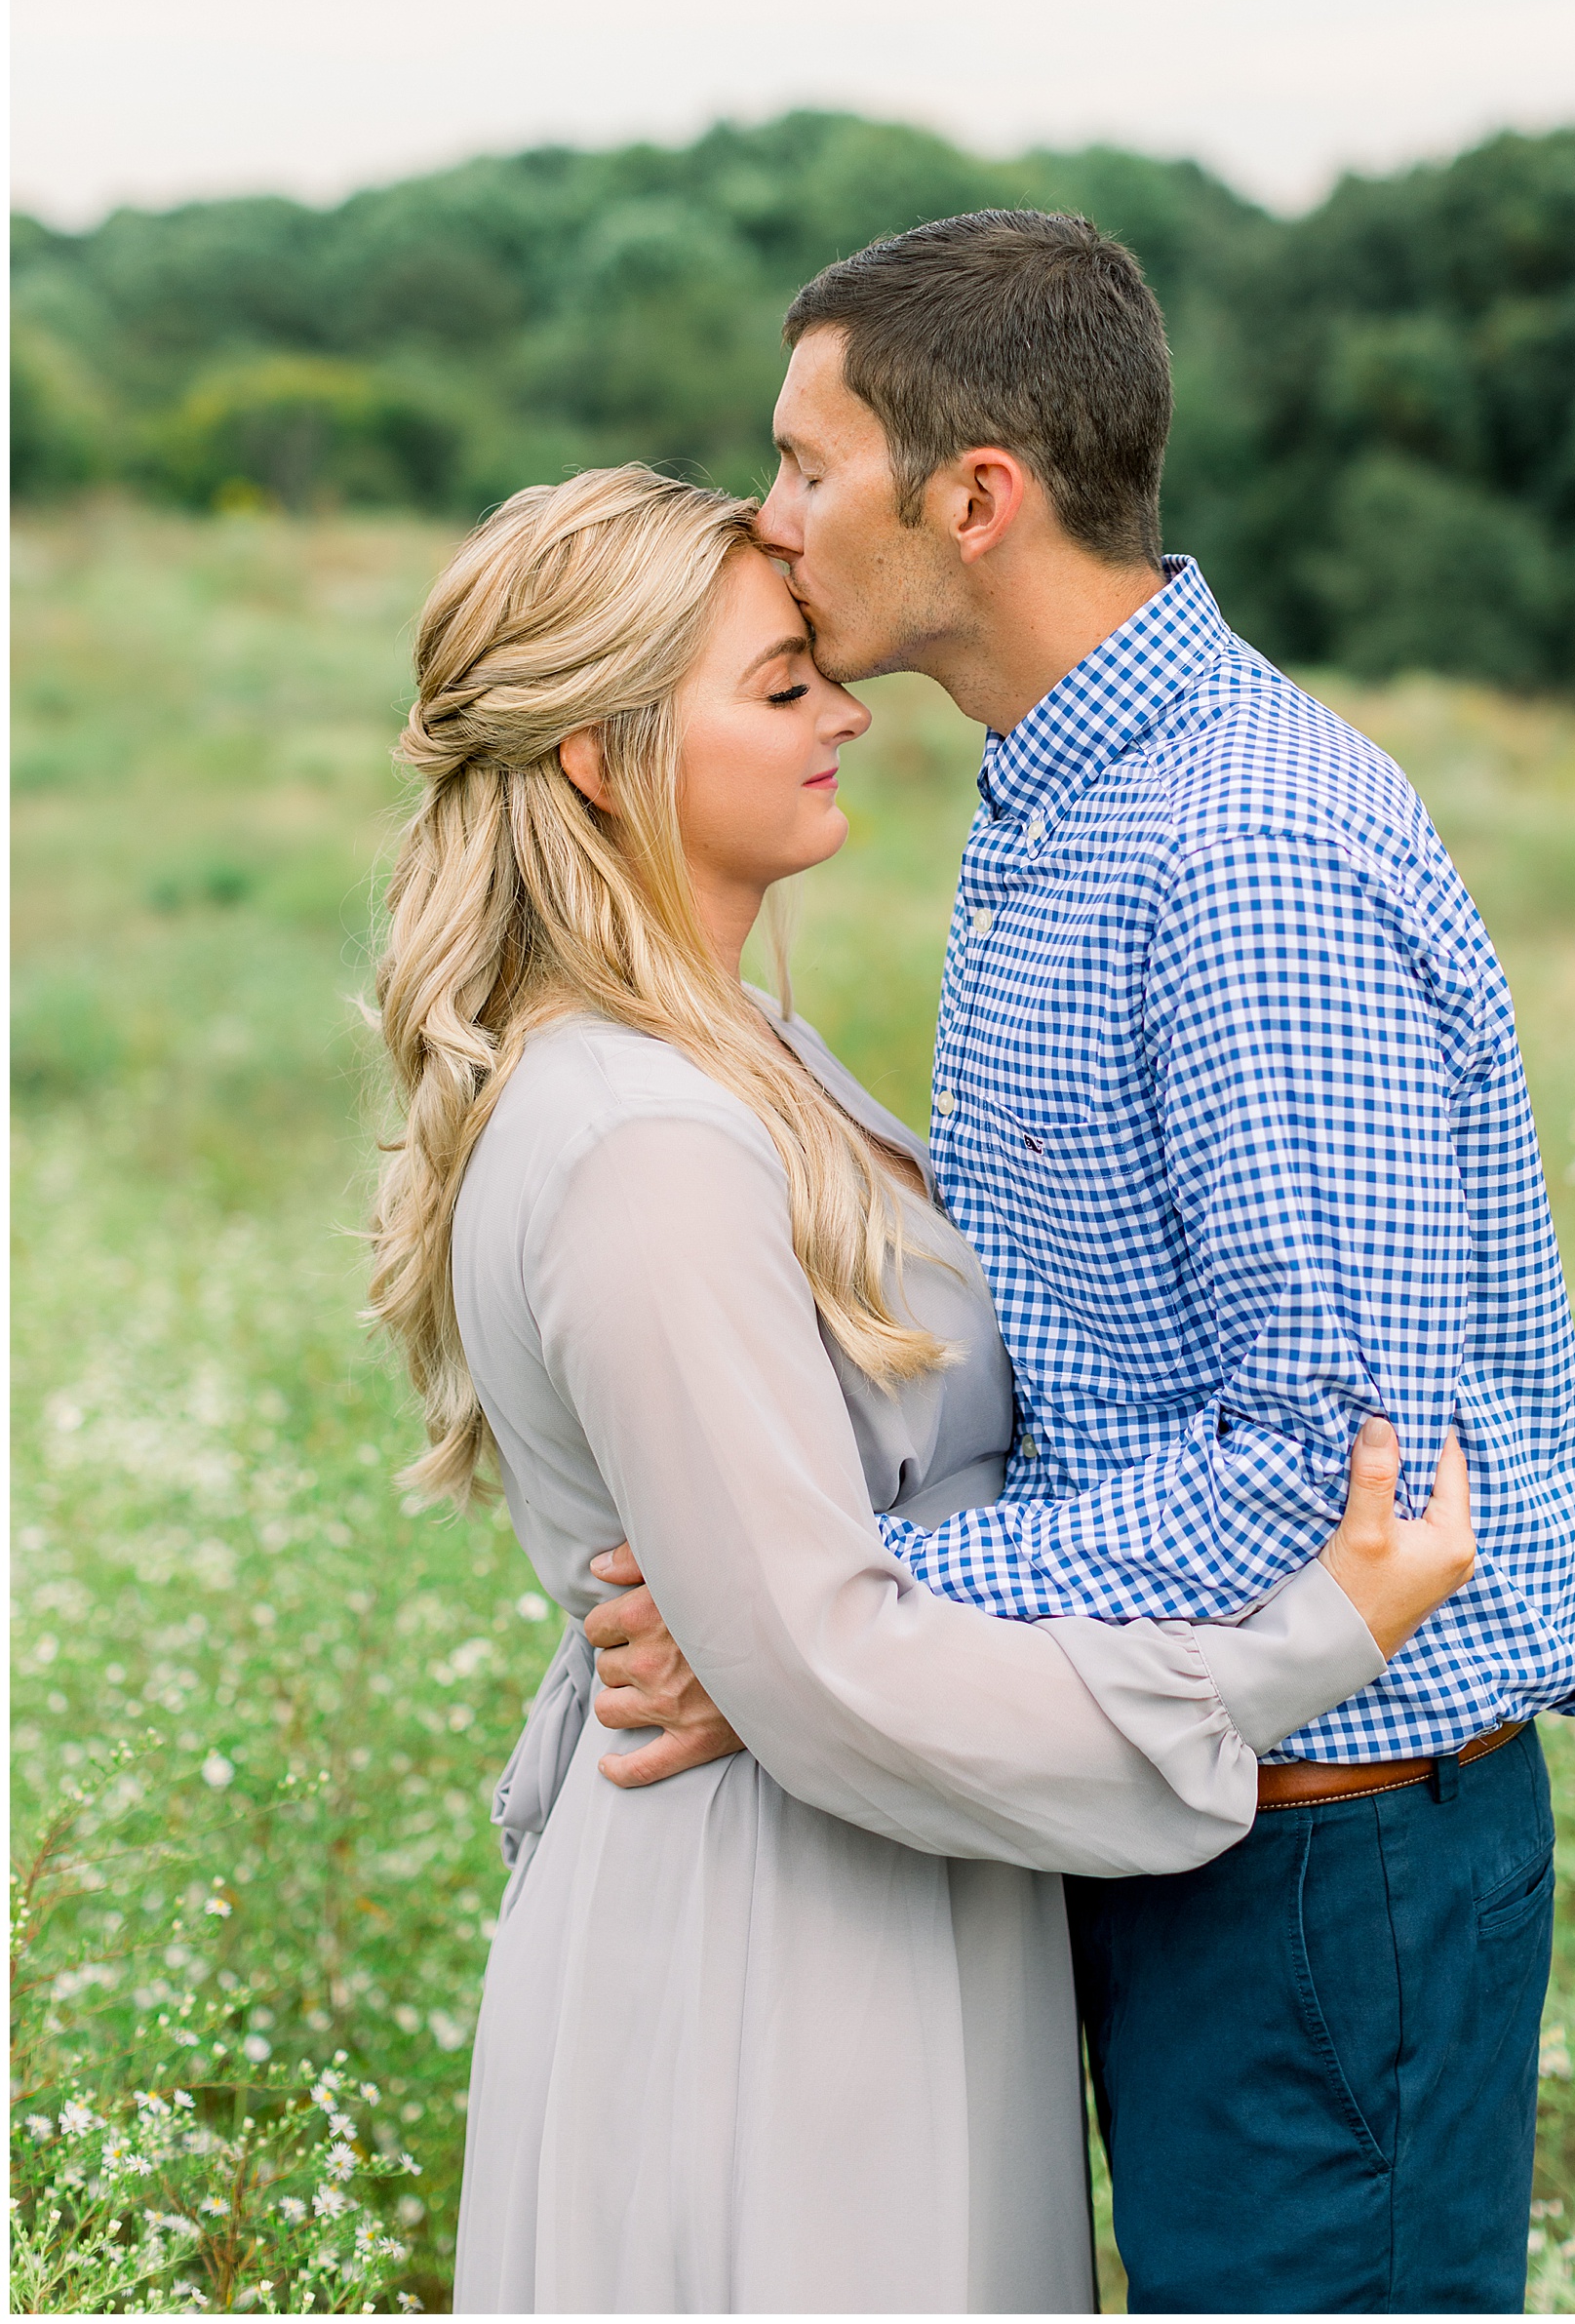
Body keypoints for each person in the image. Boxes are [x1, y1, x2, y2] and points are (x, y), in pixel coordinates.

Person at [585, 214, 1575, 2314]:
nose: (770, 519)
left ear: (974, 498)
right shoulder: (1068, 801)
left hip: (1331, 1856)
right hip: (1179, 1801)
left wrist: (822, 1612)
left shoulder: (1243, 856)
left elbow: (1329, 1469)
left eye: (807, 464)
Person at [367, 463, 1475, 2314]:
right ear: (600, 755)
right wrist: (1306, 1642)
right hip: (776, 1949)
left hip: (886, 1879)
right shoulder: (643, 1139)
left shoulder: (739, 1049)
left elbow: (802, 1622)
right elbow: (822, 1667)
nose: (847, 716)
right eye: (780, 685)